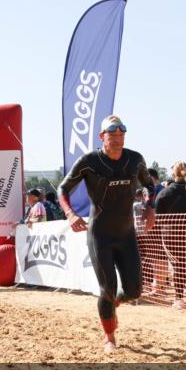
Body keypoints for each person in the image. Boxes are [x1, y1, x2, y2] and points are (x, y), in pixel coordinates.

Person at [58, 115, 155, 353]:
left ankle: (112, 306)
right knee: (107, 288)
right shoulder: (90, 161)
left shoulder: (134, 159)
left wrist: (150, 207)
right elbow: (63, 189)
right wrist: (70, 214)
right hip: (100, 234)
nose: (118, 139)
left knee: (134, 291)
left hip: (126, 234)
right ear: (102, 137)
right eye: (113, 135)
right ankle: (109, 337)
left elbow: (149, 185)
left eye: (122, 135)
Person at [155, 161, 186, 309]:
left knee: (177, 266)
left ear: (172, 174)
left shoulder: (165, 192)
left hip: (171, 233)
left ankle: (179, 299)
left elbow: (158, 215)